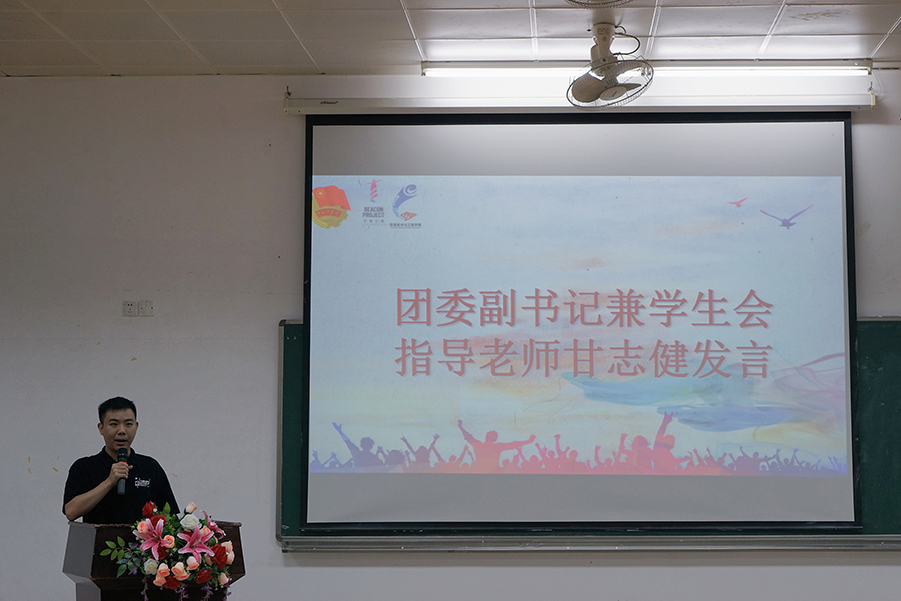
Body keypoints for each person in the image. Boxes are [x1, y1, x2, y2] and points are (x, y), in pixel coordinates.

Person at [63, 397, 177, 524]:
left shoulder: (150, 467)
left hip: (140, 537)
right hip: (97, 537)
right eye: (114, 424)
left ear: (136, 426)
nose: (122, 431)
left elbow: (171, 518)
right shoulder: (83, 467)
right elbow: (71, 512)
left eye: (128, 424)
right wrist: (109, 482)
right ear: (101, 428)